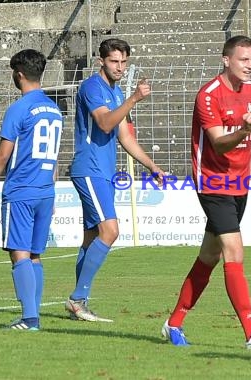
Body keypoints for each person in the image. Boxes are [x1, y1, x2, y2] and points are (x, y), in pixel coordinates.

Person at [161, 35, 251, 349]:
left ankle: (174, 323)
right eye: (244, 60)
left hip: (240, 183)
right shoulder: (209, 95)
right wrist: (243, 129)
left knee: (208, 257)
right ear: (227, 60)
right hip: (212, 183)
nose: (250, 66)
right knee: (234, 251)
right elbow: (217, 141)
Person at [66, 38, 165, 322]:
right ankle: (76, 299)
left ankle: (79, 303)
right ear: (101, 62)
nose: (119, 67)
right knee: (110, 232)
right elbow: (105, 123)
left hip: (104, 172)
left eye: (124, 62)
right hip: (89, 169)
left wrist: (152, 166)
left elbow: (124, 137)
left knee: (92, 238)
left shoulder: (116, 90)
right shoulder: (91, 87)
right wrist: (134, 98)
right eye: (114, 61)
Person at [0, 49, 63, 330]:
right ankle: (32, 316)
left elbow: (2, 154)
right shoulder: (54, 108)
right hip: (45, 191)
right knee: (35, 254)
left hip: (21, 190)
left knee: (19, 253)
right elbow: (56, 155)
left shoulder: (19, 108)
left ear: (19, 74)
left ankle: (29, 319)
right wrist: (52, 187)